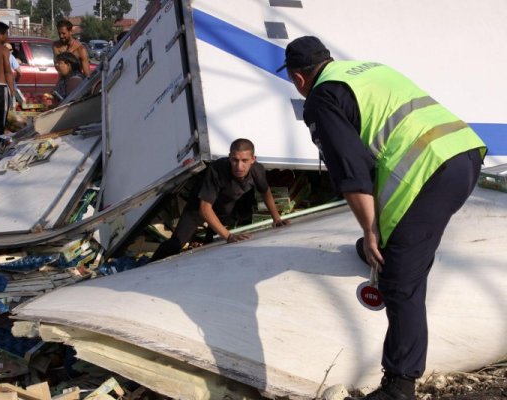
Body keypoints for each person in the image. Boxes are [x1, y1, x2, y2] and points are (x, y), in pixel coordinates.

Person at [279, 36, 486, 400]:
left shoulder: (321, 98)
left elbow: (352, 170)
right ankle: (394, 249)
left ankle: (400, 384)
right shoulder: (369, 69)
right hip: (464, 150)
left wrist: (370, 230)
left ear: (299, 79)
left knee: (399, 278)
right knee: (402, 244)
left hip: (428, 172)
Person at [151, 138, 289, 262]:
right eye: (235, 160)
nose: (239, 166)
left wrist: (276, 219)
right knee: (176, 243)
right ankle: (150, 265)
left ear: (253, 159)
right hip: (200, 205)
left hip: (226, 204)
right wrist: (228, 236)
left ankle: (210, 241)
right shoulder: (217, 170)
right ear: (229, 158)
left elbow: (265, 191)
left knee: (222, 230)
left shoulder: (257, 170)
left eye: (244, 161)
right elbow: (205, 208)